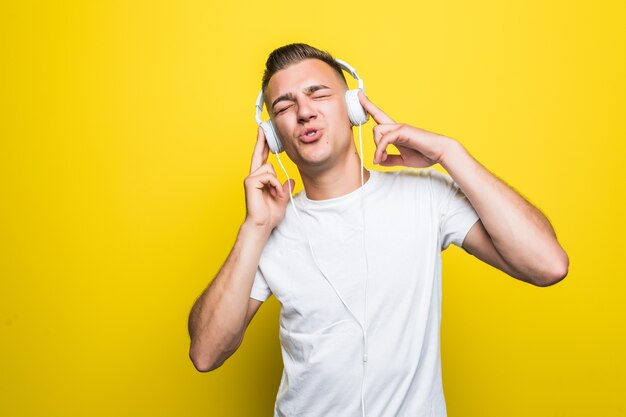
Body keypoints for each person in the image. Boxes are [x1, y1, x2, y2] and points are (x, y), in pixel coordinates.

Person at [187, 43, 569, 416]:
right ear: (274, 136)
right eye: (284, 107)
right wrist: (254, 226)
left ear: (355, 108)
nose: (304, 112)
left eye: (318, 94)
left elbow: (547, 264)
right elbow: (205, 353)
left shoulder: (426, 197)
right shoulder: (269, 228)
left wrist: (450, 154)